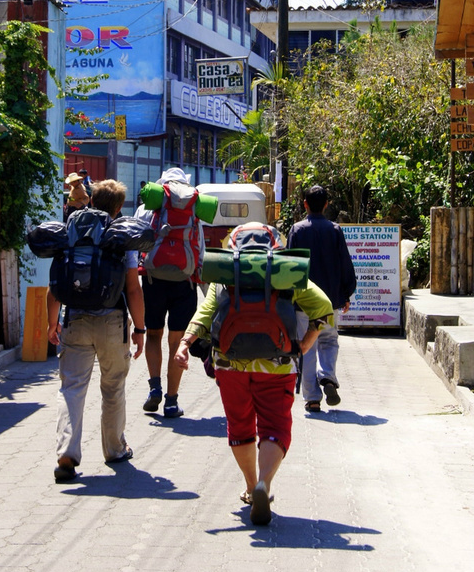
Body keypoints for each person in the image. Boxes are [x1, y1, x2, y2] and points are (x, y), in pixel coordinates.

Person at [174, 225, 333, 526]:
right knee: (274, 425)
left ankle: (249, 486)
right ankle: (264, 484)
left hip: (229, 364)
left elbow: (206, 312)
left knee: (240, 425)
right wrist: (306, 344)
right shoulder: (284, 272)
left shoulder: (226, 274)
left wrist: (185, 344)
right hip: (278, 363)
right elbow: (323, 306)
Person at [47, 179, 146, 483]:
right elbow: (133, 289)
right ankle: (114, 449)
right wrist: (139, 329)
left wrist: (53, 324)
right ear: (118, 207)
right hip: (111, 322)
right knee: (112, 386)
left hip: (75, 319)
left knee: (72, 388)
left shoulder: (72, 231)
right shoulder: (121, 237)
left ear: (90, 201)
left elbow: (55, 286)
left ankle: (67, 453)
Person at [135, 167, 204, 418]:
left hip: (154, 280)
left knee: (154, 335)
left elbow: (135, 244)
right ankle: (172, 401)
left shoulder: (148, 206)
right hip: (184, 282)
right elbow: (201, 249)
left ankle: (154, 388)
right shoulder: (193, 206)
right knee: (177, 342)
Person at [286, 185, 357, 413]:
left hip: (303, 303)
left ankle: (313, 398)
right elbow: (345, 264)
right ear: (326, 204)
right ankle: (327, 376)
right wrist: (346, 293)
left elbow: (288, 266)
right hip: (329, 302)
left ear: (305, 204)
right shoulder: (335, 230)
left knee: (305, 347)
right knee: (329, 340)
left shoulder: (296, 230)